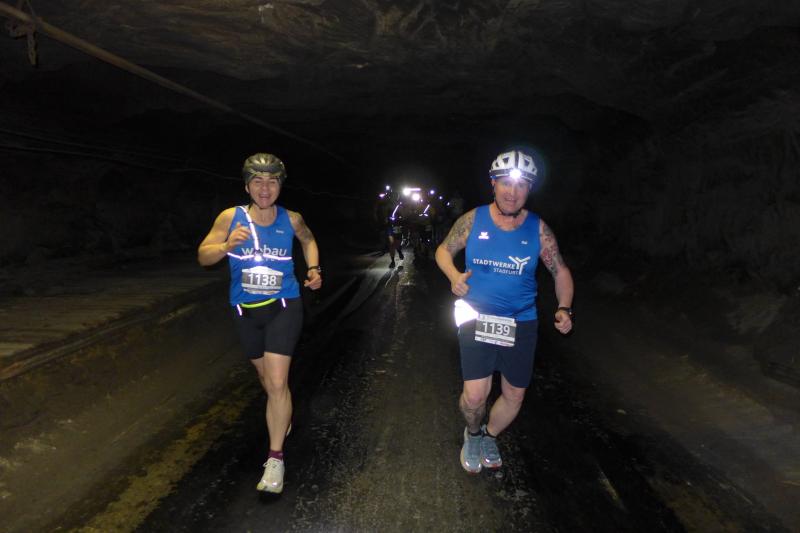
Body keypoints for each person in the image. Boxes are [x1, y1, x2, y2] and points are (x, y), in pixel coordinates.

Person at [434, 148, 574, 474]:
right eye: (506, 183)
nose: (513, 192)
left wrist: (565, 307)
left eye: (521, 185)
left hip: (521, 320)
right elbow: (443, 251)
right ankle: (472, 433)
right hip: (475, 315)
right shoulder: (473, 219)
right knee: (474, 397)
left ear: (529, 189)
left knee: (514, 395)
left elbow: (561, 272)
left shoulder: (538, 229)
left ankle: (489, 435)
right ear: (493, 184)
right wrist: (454, 276)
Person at [197, 153, 322, 493]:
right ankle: (282, 414)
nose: (265, 189)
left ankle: (275, 459)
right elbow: (204, 255)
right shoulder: (230, 217)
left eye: (272, 182)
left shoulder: (291, 219)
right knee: (267, 380)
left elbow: (308, 240)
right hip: (245, 311)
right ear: (247, 186)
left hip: (284, 306)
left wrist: (313, 268)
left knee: (278, 382)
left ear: (280, 185)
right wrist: (226, 245)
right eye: (257, 182)